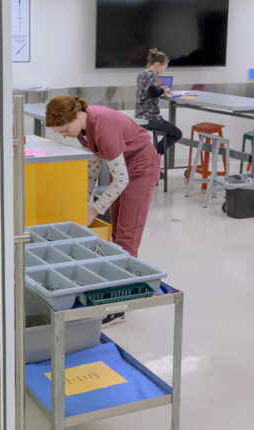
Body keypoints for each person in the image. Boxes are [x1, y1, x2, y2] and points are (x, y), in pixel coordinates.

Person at [46, 95, 160, 326]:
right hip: (124, 169)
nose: (64, 134)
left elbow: (120, 180)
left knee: (127, 238)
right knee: (115, 238)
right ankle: (112, 296)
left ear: (76, 116)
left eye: (64, 129)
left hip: (140, 168)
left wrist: (93, 211)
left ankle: (119, 308)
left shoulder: (104, 127)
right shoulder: (83, 129)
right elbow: (96, 164)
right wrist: (83, 201)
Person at [135, 48, 182, 155]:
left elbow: (147, 90)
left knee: (172, 131)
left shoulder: (141, 74)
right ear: (157, 64)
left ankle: (152, 155)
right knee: (177, 133)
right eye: (164, 67)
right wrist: (162, 90)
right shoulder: (152, 75)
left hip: (139, 116)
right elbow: (152, 92)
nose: (164, 70)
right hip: (150, 117)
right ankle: (153, 155)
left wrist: (160, 88)